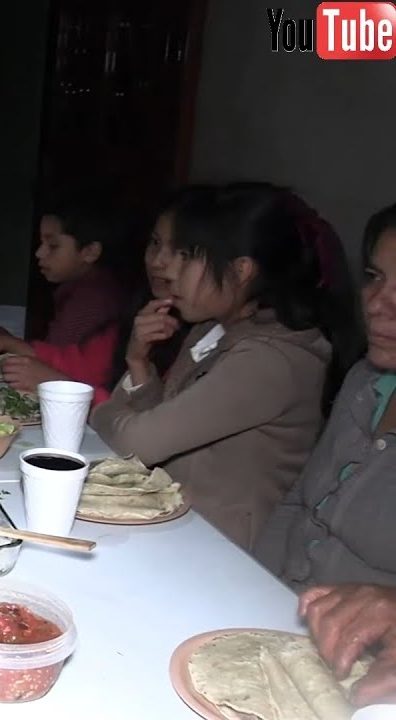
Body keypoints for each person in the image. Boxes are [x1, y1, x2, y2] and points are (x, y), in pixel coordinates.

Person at [89, 182, 365, 550]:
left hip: (226, 555)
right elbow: (159, 422)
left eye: (188, 256)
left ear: (241, 271)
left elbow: (133, 443)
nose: (169, 270)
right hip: (179, 531)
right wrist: (137, 362)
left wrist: (102, 415)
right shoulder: (215, 329)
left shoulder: (270, 360)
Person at [255, 203, 395, 707]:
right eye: (375, 277)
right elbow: (299, 501)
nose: (380, 303)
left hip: (355, 679)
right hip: (277, 628)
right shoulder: (365, 379)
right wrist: (252, 593)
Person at [0, 189, 199, 402]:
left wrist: (52, 381)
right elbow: (79, 360)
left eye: (183, 253)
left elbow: (142, 422)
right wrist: (0, 339)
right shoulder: (144, 308)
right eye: (155, 244)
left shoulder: (94, 300)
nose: (158, 262)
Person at [0, 198, 129, 346]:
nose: (39, 253)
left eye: (53, 246)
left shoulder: (92, 302)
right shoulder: (80, 290)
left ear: (90, 252)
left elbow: (47, 364)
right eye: (41, 243)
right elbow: (43, 355)